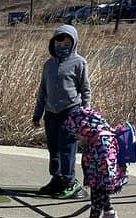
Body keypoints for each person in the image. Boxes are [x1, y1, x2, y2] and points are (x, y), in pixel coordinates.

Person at [31, 24, 91, 198]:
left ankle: (70, 180)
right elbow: (43, 91)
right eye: (58, 45)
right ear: (53, 45)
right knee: (53, 147)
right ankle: (57, 178)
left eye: (66, 46)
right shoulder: (48, 65)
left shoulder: (79, 63)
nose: (62, 49)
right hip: (51, 112)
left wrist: (85, 114)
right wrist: (37, 113)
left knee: (67, 147)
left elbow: (85, 89)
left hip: (70, 110)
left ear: (73, 45)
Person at [61, 106, 128, 218]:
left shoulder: (102, 141)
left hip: (104, 178)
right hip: (99, 176)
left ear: (85, 129)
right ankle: (109, 213)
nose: (77, 137)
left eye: (77, 133)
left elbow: (107, 165)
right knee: (98, 191)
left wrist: (106, 182)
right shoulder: (96, 137)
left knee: (98, 194)